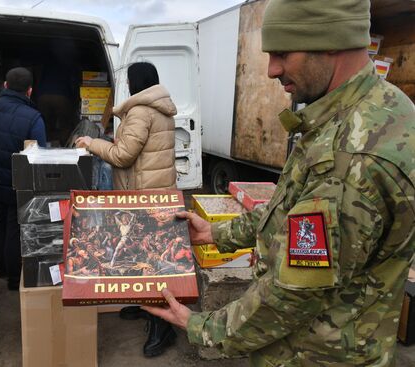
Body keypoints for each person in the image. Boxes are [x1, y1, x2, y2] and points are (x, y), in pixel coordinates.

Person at [143, 0, 415, 365]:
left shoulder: (354, 159)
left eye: (283, 53)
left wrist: (202, 327)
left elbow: (293, 294)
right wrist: (217, 234)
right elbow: (290, 213)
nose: (272, 70)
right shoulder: (365, 111)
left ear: (330, 40)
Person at [75, 62, 178, 357]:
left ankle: (163, 327)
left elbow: (122, 156)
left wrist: (92, 143)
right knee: (145, 256)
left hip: (145, 198)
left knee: (151, 261)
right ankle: (146, 307)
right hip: (155, 193)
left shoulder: (141, 112)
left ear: (135, 84)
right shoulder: (160, 109)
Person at [0, 67, 47, 290]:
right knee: (15, 226)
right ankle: (15, 280)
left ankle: (1, 269)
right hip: (19, 182)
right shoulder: (34, 118)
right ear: (30, 91)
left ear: (5, 86)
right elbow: (40, 152)